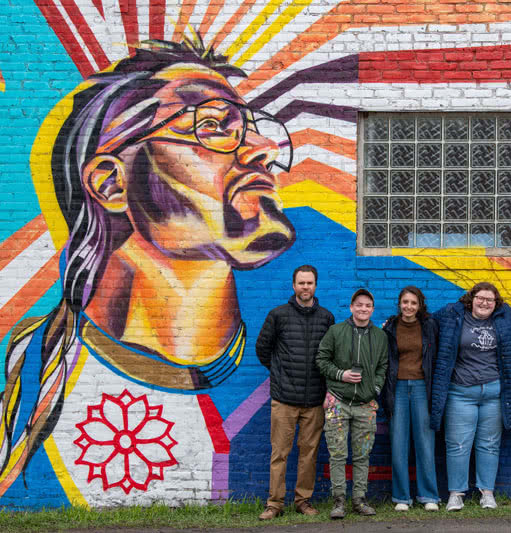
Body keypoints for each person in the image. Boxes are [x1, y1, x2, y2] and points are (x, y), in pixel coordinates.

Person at [0, 35, 295, 504]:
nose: (262, 147)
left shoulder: (272, 377)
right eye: (214, 125)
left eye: (254, 128)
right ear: (111, 182)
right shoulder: (39, 379)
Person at [430, 282, 511, 512]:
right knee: (457, 445)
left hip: (493, 393)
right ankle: (456, 494)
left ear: (496, 303)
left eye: (490, 300)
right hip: (460, 392)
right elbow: (425, 321)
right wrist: (393, 325)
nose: (484, 303)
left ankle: (487, 493)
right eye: (480, 298)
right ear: (471, 299)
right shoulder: (451, 314)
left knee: (489, 445)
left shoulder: (504, 317)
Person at [255, 265, 335, 519]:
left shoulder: (326, 318)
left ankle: (303, 501)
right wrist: (279, 373)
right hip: (284, 400)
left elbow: (330, 355)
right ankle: (274, 504)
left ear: (315, 285)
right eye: (301, 283)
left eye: (309, 283)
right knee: (280, 453)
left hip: (314, 400)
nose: (305, 287)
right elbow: (262, 349)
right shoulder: (278, 315)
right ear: (293, 285)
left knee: (309, 454)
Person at [316, 288, 388, 519]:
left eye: (367, 305)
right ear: (351, 307)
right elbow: (321, 360)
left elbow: (382, 368)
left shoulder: (380, 336)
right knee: (337, 454)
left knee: (362, 455)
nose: (363, 309)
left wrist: (374, 389)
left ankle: (359, 499)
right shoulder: (336, 332)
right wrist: (341, 375)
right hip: (338, 401)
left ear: (372, 309)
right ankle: (338, 501)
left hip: (366, 405)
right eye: (359, 305)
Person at [382, 286, 440, 511]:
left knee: (425, 443)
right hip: (397, 388)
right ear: (399, 304)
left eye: (413, 303)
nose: (408, 307)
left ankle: (428, 496)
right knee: (398, 443)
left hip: (421, 388)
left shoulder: (429, 326)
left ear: (420, 305)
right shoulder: (391, 327)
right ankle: (401, 497)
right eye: (405, 302)